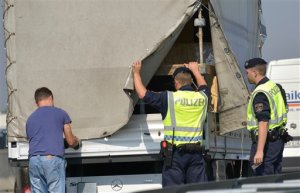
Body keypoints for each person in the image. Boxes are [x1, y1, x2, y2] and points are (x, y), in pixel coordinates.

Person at [132, 60, 210, 187]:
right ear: (191, 82)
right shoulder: (202, 98)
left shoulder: (168, 98)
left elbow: (142, 94)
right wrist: (196, 70)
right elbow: (204, 86)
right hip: (196, 154)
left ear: (176, 82)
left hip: (175, 155)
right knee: (199, 189)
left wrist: (136, 73)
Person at [26, 87, 80, 193]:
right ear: (51, 98)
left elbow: (33, 139)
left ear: (37, 102)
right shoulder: (61, 113)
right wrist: (77, 142)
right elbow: (70, 141)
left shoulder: (30, 119)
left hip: (33, 161)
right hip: (51, 160)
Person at [245, 58, 288, 176]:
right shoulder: (273, 86)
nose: (247, 75)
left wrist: (259, 151)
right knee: (275, 178)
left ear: (255, 73)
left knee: (263, 179)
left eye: (247, 72)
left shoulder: (260, 93)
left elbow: (263, 122)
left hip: (266, 144)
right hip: (277, 141)